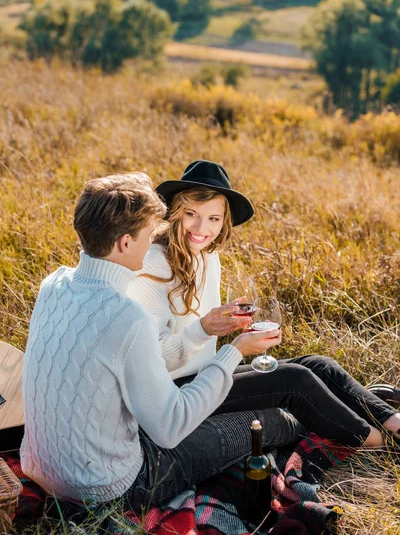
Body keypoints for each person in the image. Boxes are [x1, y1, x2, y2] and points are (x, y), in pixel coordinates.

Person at [20, 172, 306, 512]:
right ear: (126, 243)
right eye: (148, 233)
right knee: (277, 420)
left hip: (40, 469)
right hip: (114, 486)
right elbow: (171, 427)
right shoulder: (128, 317)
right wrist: (234, 351)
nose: (156, 238)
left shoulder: (53, 284)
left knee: (284, 387)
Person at [132, 160, 400, 449]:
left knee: (319, 365)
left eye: (214, 219)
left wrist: (224, 324)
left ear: (224, 222)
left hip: (205, 375)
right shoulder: (150, 263)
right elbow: (150, 362)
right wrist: (204, 329)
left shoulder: (208, 257)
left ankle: (394, 422)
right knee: (294, 380)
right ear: (175, 213)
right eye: (191, 214)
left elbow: (199, 330)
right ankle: (381, 446)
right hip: (173, 395)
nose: (201, 227)